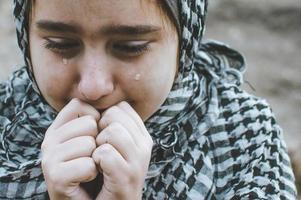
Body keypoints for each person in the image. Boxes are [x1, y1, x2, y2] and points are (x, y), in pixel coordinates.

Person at [0, 0, 297, 199]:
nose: (93, 86)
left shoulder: (244, 137)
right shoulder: (5, 125)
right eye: (61, 45)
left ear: (185, 43)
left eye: (130, 47)